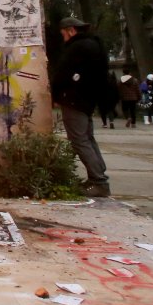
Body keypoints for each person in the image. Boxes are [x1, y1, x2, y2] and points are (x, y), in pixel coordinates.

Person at [50, 16, 110, 197]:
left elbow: (63, 72)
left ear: (71, 30)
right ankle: (99, 175)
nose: (64, 39)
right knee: (87, 138)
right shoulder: (94, 45)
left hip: (74, 99)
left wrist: (56, 93)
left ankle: (98, 180)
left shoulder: (77, 47)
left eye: (63, 35)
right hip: (87, 100)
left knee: (79, 140)